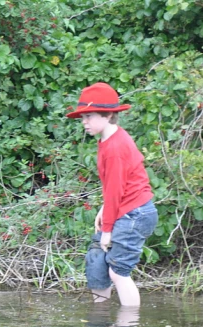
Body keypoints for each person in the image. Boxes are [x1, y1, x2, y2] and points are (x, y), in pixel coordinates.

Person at [66, 82, 158, 306]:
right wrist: (104, 209)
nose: (84, 122)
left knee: (119, 271)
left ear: (108, 116)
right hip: (123, 209)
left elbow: (117, 190)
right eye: (82, 117)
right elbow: (114, 185)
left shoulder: (116, 147)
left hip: (135, 214)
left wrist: (107, 230)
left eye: (89, 116)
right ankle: (101, 319)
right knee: (97, 260)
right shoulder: (107, 140)